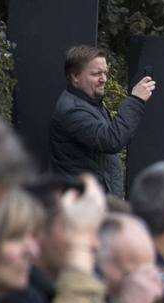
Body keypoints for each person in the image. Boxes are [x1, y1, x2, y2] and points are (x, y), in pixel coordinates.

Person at [49, 47, 155, 196]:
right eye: (96, 74)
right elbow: (111, 140)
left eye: (105, 72)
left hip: (96, 201)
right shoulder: (72, 111)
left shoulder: (90, 102)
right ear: (75, 77)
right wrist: (135, 100)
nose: (104, 79)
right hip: (84, 206)